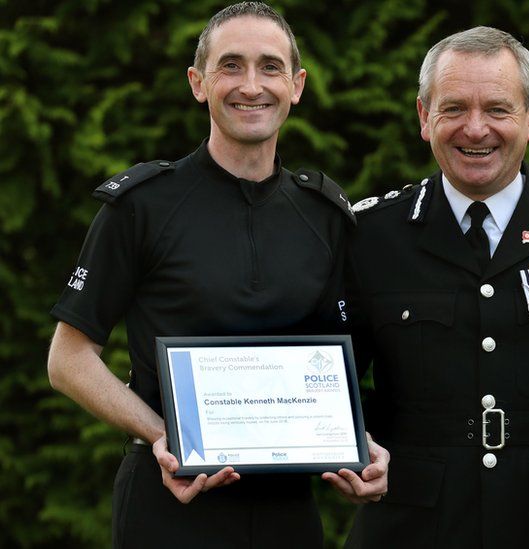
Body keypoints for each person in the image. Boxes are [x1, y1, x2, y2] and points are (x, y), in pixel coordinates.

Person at [46, 3, 388, 547]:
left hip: (287, 511)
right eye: (231, 65)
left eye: (270, 67)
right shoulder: (141, 207)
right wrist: (166, 439)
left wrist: (361, 447)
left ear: (297, 85)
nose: (251, 85)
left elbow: (335, 364)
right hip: (169, 501)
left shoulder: (325, 216)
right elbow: (68, 359)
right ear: (198, 83)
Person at [343, 26, 529, 548]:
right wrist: (353, 448)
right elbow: (335, 379)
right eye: (453, 108)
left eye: (498, 110)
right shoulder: (371, 234)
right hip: (412, 525)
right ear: (423, 118)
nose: (475, 129)